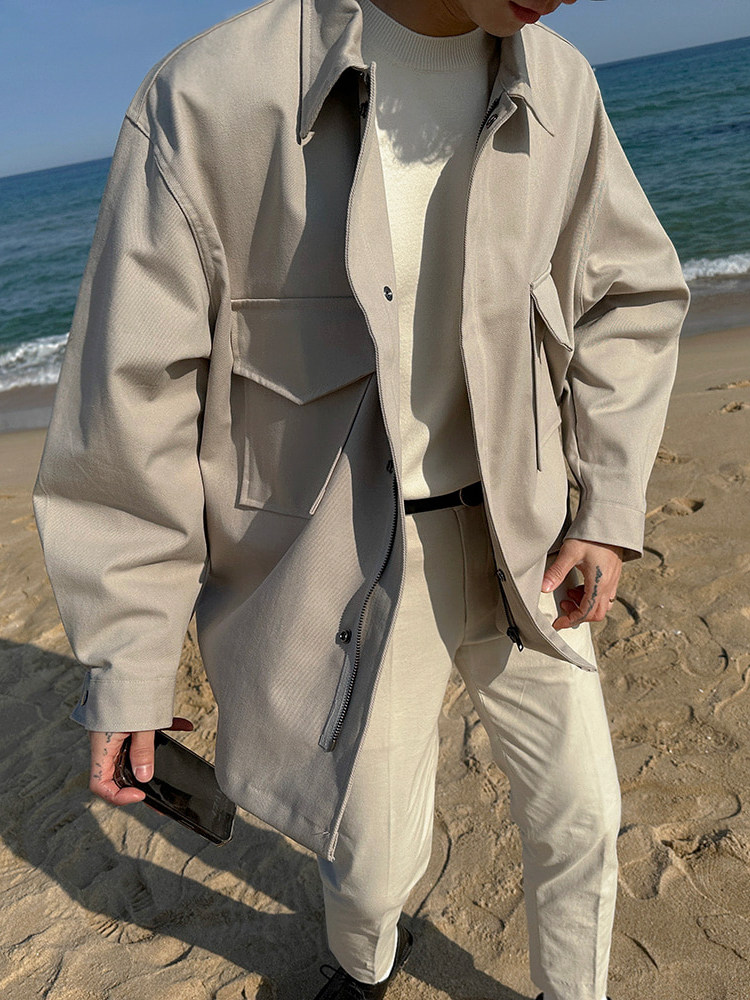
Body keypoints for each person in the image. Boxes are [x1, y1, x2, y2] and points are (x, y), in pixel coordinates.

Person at [33, 0, 690, 997]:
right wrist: (129, 661)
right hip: (341, 565)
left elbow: (629, 292)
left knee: (585, 817)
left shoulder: (560, 83)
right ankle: (363, 968)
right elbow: (132, 400)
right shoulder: (210, 97)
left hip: (521, 534)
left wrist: (607, 502)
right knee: (373, 864)